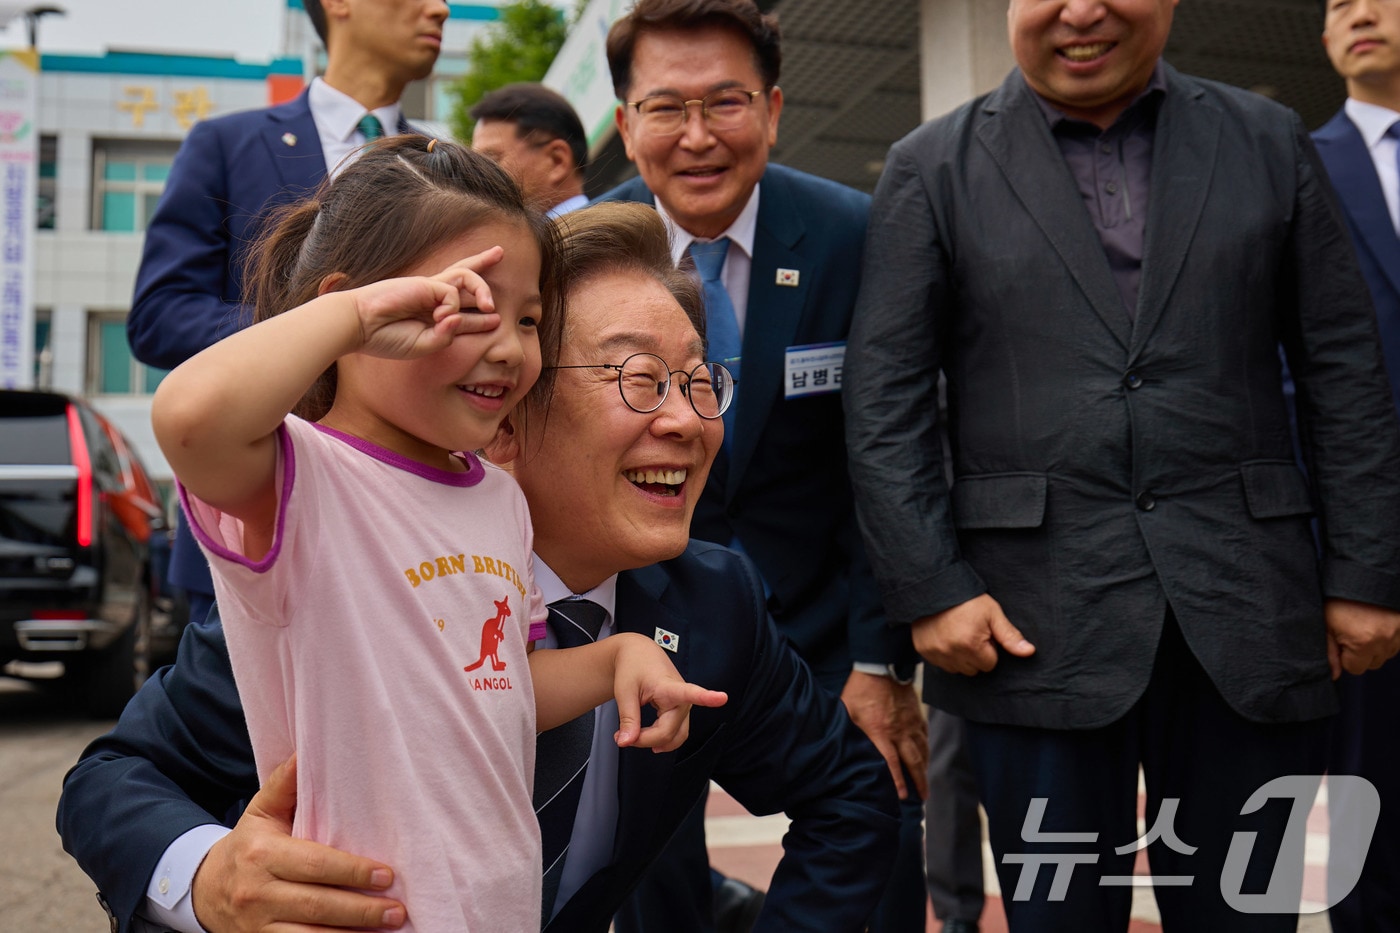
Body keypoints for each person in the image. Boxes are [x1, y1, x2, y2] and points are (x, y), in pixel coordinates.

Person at [57, 200, 901, 933]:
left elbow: (851, 798)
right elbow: (111, 781)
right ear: (499, 414)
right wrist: (210, 879)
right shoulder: (348, 575)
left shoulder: (713, 604)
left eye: (700, 379)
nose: (688, 421)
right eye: (640, 379)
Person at [842, 0, 1400, 930]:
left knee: (1246, 913)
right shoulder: (931, 166)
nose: (1081, 11)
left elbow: (1342, 365)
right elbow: (885, 398)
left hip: (1250, 614)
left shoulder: (1267, 140)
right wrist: (931, 588)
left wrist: (1367, 570)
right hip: (1028, 628)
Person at [149, 136, 723, 931]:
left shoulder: (496, 497)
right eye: (463, 305)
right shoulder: (296, 475)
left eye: (528, 319)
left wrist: (615, 658)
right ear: (356, 309)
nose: (509, 348)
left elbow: (499, 687)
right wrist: (348, 318)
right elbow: (186, 416)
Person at [598, 2, 927, 929]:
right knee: (645, 871)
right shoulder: (580, 253)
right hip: (639, 621)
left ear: (775, 110)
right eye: (665, 108)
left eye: (726, 102)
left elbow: (887, 452)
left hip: (827, 624)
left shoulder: (854, 234)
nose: (697, 137)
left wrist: (879, 659)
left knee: (879, 827)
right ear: (625, 124)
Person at [126, 0, 448, 633]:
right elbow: (159, 315)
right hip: (256, 514)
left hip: (412, 527)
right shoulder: (227, 144)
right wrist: (323, 330)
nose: (438, 8)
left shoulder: (442, 164)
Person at [1316, 0, 1400, 927]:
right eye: (1338, 3)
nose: (1360, 13)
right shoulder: (1293, 165)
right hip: (1367, 560)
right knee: (1371, 808)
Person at [470, 82, 590, 216]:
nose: (478, 177)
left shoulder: (606, 235)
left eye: (491, 161)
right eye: (476, 165)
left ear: (557, 161)